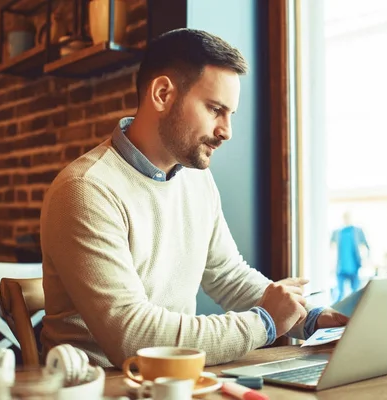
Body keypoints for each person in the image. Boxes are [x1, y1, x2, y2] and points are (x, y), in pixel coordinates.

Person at [39, 28, 348, 368]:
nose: (226, 131)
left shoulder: (197, 180)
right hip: (102, 386)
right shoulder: (85, 190)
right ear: (162, 94)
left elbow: (228, 275)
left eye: (230, 114)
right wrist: (264, 322)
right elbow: (132, 337)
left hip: (180, 381)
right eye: (215, 109)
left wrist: (311, 319)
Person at [331, 211, 370, 302]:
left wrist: (366, 259)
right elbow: (331, 246)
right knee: (339, 293)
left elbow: (366, 246)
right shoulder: (337, 232)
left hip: (354, 267)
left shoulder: (357, 231)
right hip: (341, 268)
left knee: (355, 294)